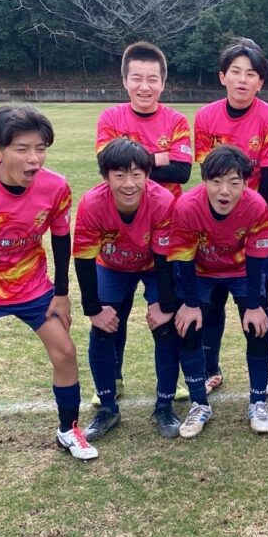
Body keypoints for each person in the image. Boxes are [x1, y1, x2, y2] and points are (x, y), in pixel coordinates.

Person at [0, 105, 98, 495]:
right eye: (23, 149)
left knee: (65, 353)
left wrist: (61, 294)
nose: (35, 159)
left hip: (32, 287)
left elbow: (61, 238)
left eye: (41, 148)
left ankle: (68, 429)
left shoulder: (56, 186)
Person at [95, 41, 192, 404]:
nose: (145, 86)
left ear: (163, 83)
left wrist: (132, 160)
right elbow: (107, 166)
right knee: (112, 315)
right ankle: (113, 378)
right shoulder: (110, 118)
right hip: (118, 234)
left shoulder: (176, 120)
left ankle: (170, 384)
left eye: (152, 79)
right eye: (137, 78)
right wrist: (160, 156)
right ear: (125, 81)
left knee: (166, 314)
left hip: (165, 233)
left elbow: (182, 171)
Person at [72, 138, 182, 441]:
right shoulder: (92, 203)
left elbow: (165, 258)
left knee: (165, 328)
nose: (129, 184)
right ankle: (107, 407)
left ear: (147, 175)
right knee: (103, 330)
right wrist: (93, 309)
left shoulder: (162, 201)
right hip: (112, 266)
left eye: (137, 174)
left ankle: (165, 405)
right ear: (106, 177)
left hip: (154, 266)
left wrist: (166, 306)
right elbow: (83, 260)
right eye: (119, 175)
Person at [193, 37, 268, 398]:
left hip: (259, 224)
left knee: (258, 298)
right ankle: (209, 368)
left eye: (251, 74)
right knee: (212, 301)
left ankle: (264, 371)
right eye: (235, 72)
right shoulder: (205, 117)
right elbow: (208, 176)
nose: (243, 80)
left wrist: (250, 220)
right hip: (213, 225)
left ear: (260, 82)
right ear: (222, 76)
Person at [168, 146, 268, 434]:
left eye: (234, 182)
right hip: (201, 272)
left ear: (246, 183)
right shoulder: (187, 206)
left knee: (258, 325)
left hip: (241, 271)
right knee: (188, 326)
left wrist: (254, 304)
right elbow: (183, 259)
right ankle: (199, 403)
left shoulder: (256, 205)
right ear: (205, 180)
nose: (224, 191)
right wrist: (190, 303)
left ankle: (258, 401)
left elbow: (256, 258)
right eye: (216, 181)